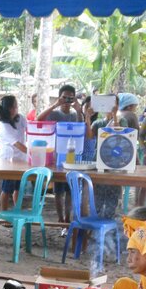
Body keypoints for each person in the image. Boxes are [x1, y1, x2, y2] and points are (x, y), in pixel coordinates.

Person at [37, 84, 83, 235]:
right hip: (58, 157)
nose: (67, 100)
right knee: (58, 191)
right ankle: (60, 218)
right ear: (60, 97)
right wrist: (55, 104)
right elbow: (39, 118)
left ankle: (67, 220)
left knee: (69, 190)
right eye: (65, 97)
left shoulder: (74, 114)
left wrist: (79, 110)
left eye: (71, 97)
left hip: (72, 156)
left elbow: (81, 126)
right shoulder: (55, 114)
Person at [0, 95, 27, 211]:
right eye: (14, 106)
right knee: (6, 190)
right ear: (9, 108)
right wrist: (34, 153)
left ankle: (17, 211)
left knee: (18, 189)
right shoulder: (3, 126)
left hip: (21, 161)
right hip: (8, 162)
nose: (16, 108)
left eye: (16, 105)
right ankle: (4, 215)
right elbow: (18, 145)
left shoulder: (20, 118)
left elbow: (32, 128)